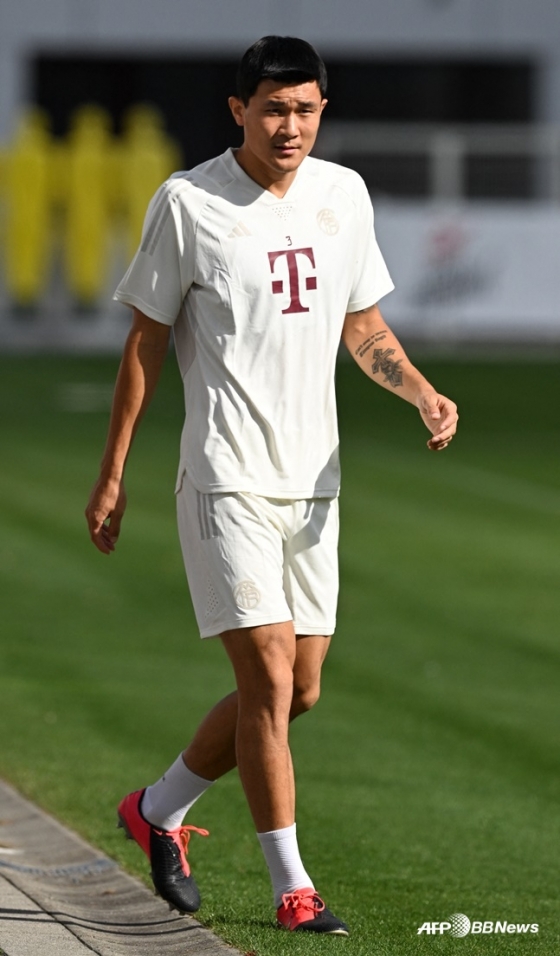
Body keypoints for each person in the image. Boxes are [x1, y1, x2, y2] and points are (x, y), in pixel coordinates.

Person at [85, 35, 458, 937]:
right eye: (273, 109)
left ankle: (157, 810)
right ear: (238, 111)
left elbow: (362, 323)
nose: (290, 126)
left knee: (301, 691)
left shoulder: (344, 195)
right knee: (267, 676)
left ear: (324, 109)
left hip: (314, 481)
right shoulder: (189, 202)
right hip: (225, 476)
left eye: (305, 109)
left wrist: (419, 390)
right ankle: (294, 889)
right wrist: (114, 472)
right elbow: (145, 341)